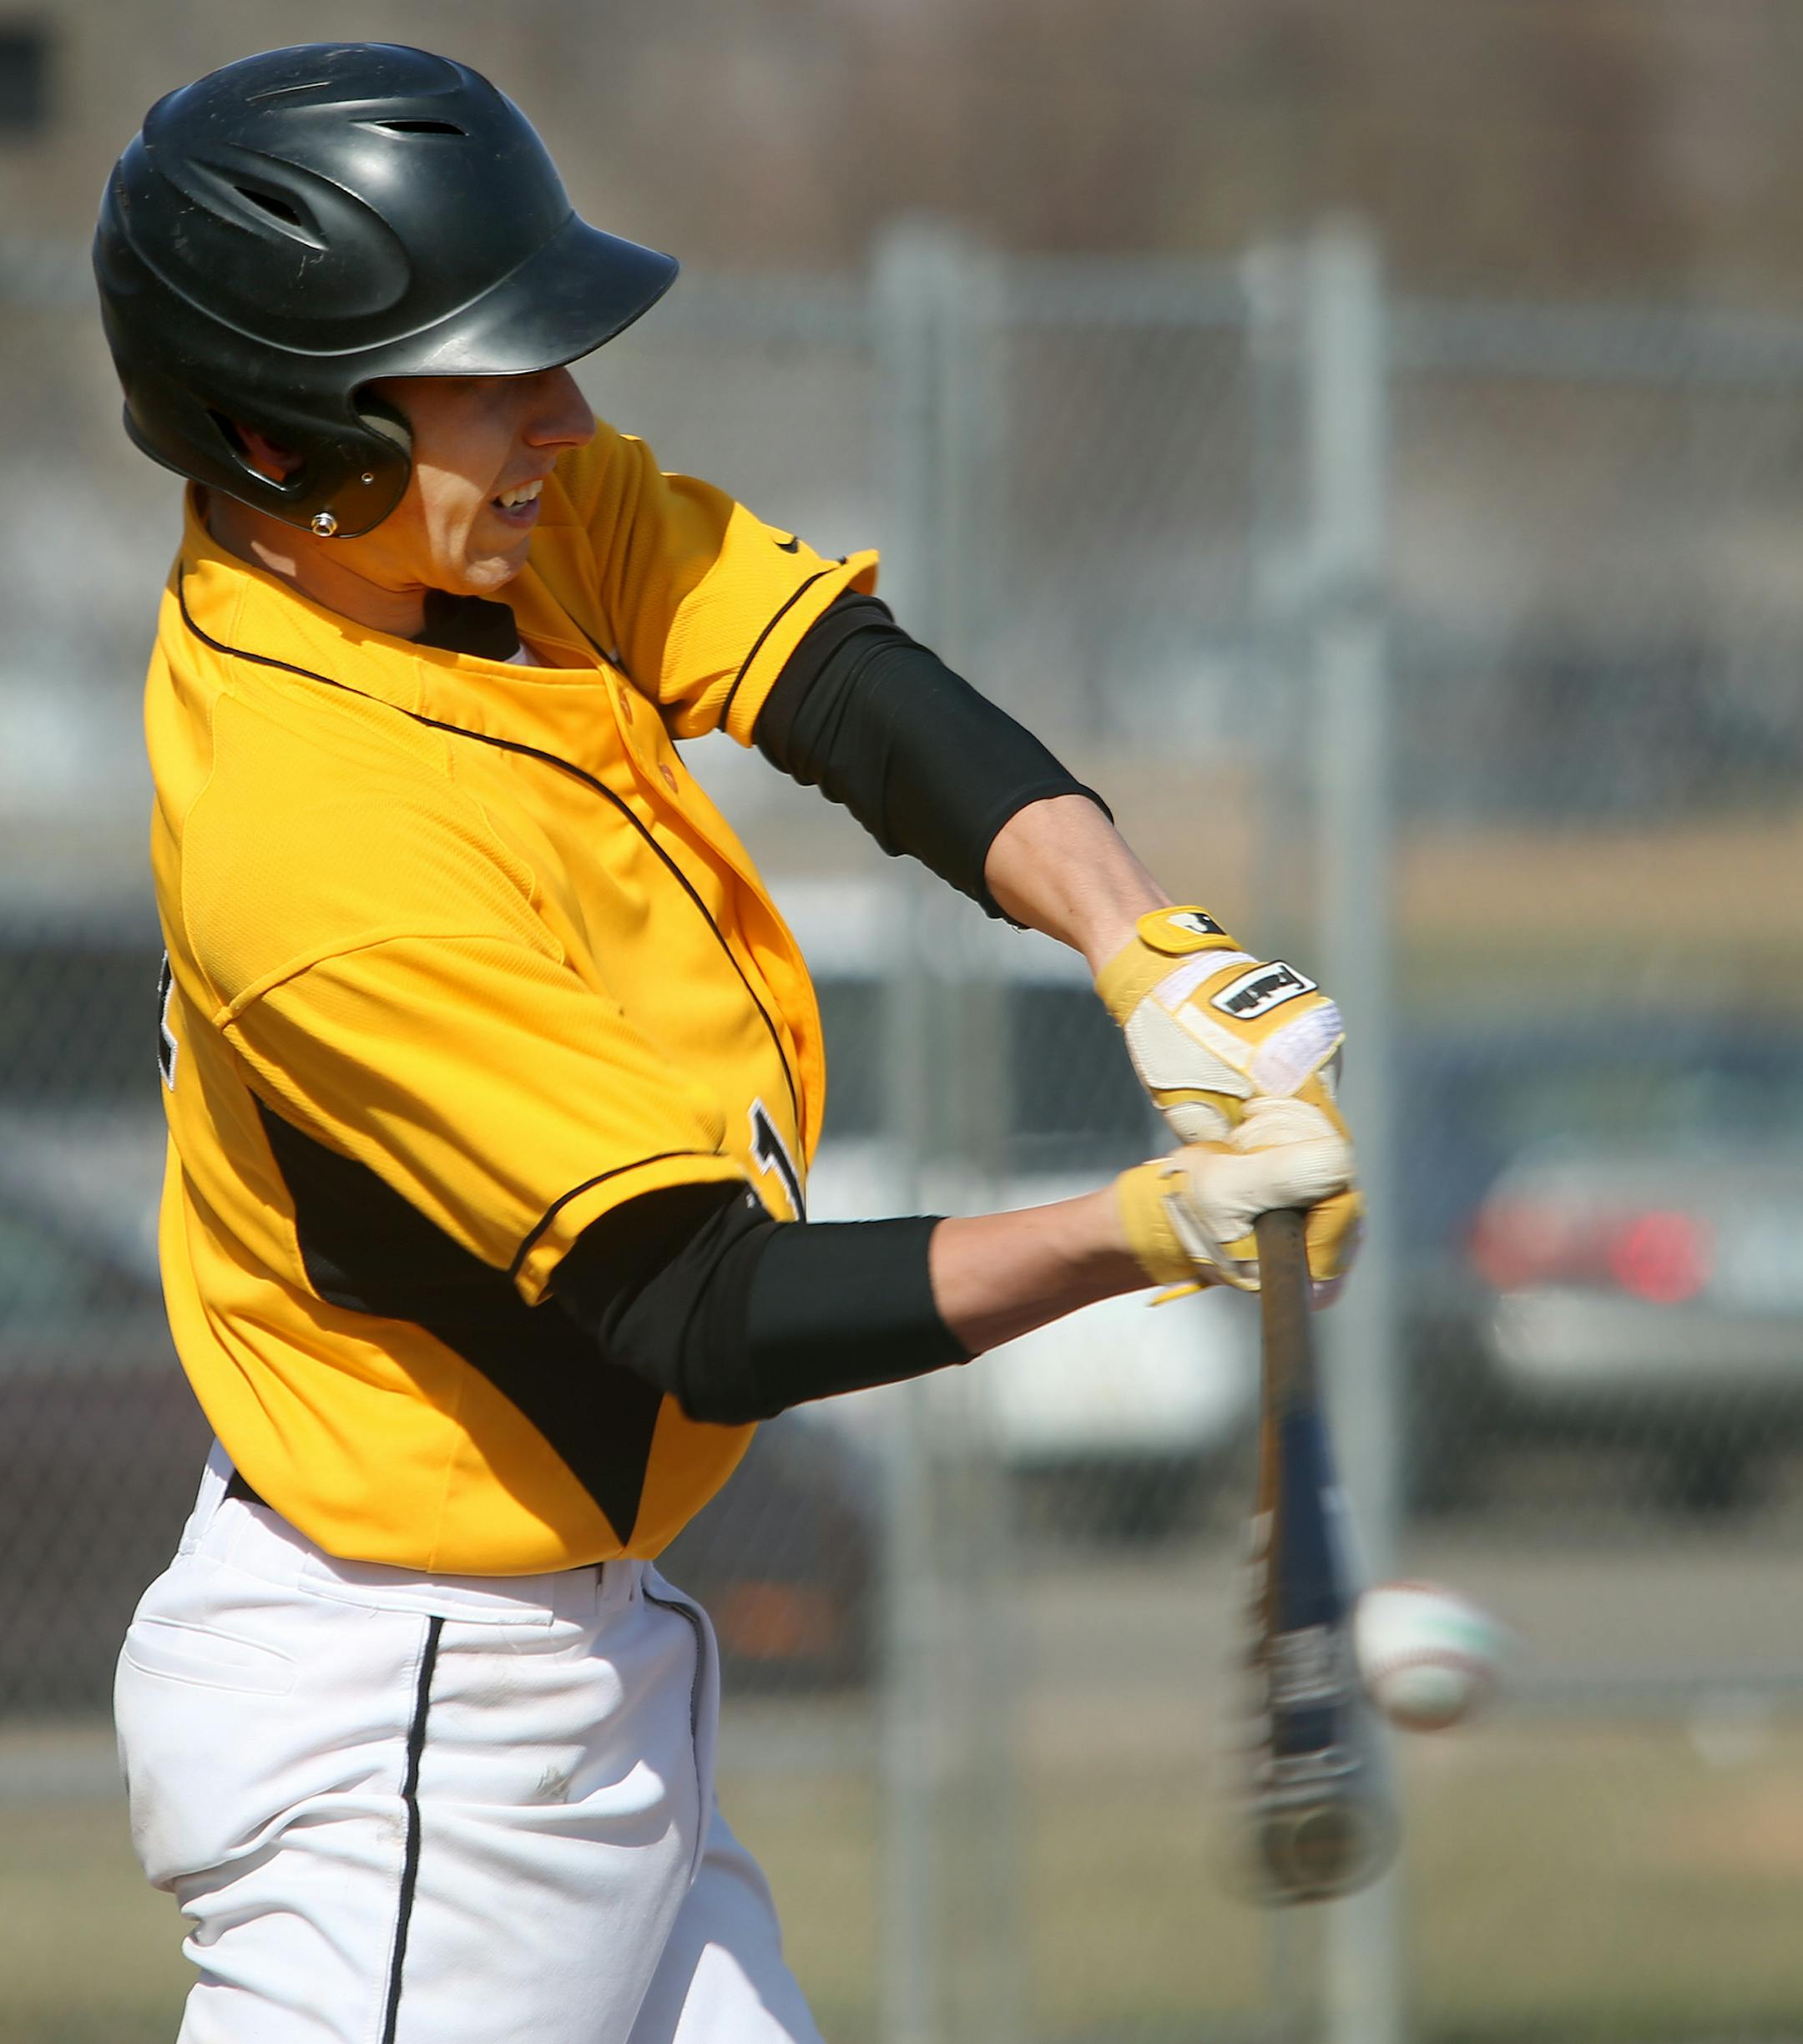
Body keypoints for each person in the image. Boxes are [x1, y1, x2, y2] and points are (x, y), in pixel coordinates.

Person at [96, 41, 1361, 2044]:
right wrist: (1159, 1229)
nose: (567, 414)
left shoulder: (451, 545)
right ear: (285, 442)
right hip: (418, 1726)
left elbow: (830, 677)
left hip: (564, 1665)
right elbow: (701, 1302)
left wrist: (1149, 955)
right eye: (494, 371)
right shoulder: (314, 845)